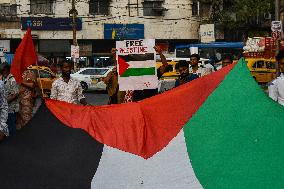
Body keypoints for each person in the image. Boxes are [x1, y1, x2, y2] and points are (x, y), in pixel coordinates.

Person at [0, 63, 19, 136]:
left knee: (11, 126)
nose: (2, 73)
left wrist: (4, 102)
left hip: (11, 108)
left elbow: (15, 94)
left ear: (6, 70)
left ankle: (13, 142)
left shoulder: (12, 79)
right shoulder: (5, 78)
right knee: (6, 125)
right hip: (6, 108)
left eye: (2, 71)